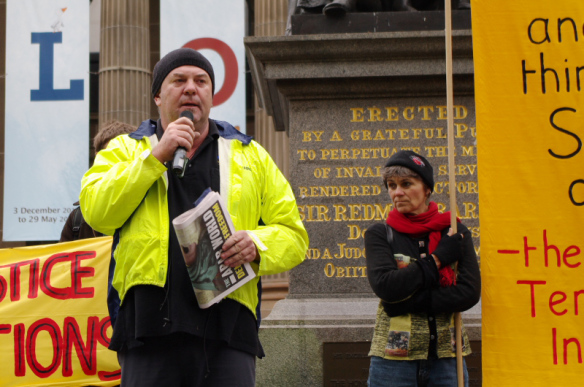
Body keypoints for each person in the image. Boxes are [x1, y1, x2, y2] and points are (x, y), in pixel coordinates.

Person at [79, 48, 309, 386]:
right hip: (148, 330)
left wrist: (258, 244)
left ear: (211, 96)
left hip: (228, 330)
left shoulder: (252, 155)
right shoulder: (126, 150)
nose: (191, 88)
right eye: (179, 80)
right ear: (158, 95)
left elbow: (294, 235)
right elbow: (97, 213)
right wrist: (154, 158)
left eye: (201, 81)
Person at [364, 150, 480, 386]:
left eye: (407, 184)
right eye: (391, 185)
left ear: (427, 188)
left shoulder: (454, 232)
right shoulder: (379, 234)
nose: (397, 192)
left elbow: (468, 293)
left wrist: (406, 303)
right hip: (393, 359)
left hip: (447, 358)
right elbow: (387, 287)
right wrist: (437, 259)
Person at [59, 120, 136, 242]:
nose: (118, 159)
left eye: (125, 152)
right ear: (97, 156)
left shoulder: (155, 204)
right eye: (112, 153)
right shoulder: (78, 217)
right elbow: (64, 259)